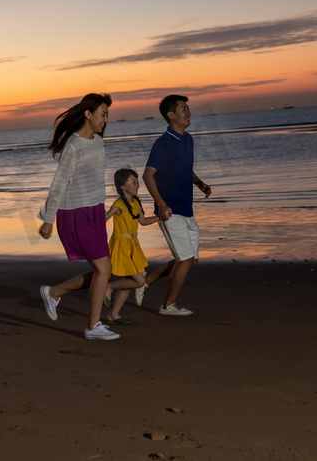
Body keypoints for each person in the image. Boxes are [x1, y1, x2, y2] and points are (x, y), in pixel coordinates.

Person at [37, 93, 119, 341]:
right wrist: (49, 218)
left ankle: (54, 292)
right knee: (104, 269)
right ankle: (93, 326)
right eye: (102, 114)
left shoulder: (97, 142)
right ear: (88, 113)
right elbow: (59, 183)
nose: (105, 119)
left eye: (107, 115)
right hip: (75, 213)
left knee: (101, 271)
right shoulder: (73, 145)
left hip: (93, 211)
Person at [142, 94, 212, 316]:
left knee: (191, 260)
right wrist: (161, 204)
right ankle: (167, 306)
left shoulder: (188, 139)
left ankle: (147, 280)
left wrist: (199, 182)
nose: (188, 112)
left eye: (188, 108)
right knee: (184, 260)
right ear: (171, 115)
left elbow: (184, 169)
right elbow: (147, 176)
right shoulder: (162, 144)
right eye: (183, 109)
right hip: (170, 210)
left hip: (186, 207)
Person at [102, 168, 175, 323]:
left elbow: (142, 221)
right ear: (122, 186)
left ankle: (113, 315)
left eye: (137, 181)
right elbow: (102, 221)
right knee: (140, 281)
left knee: (128, 283)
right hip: (121, 246)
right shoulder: (118, 204)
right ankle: (109, 287)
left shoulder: (135, 202)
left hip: (133, 246)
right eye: (133, 182)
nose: (137, 185)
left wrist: (160, 217)